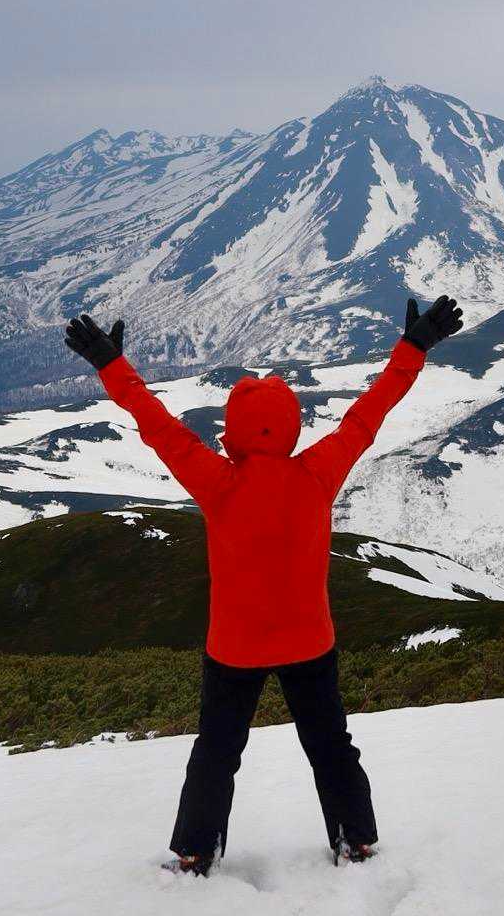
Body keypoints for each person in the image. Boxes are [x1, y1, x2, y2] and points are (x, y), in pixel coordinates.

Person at [63, 296, 465, 875]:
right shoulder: (318, 472)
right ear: (292, 427)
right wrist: (413, 348)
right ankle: (355, 841)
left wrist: (111, 365)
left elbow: (157, 424)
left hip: (235, 647)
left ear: (234, 430)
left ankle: (196, 851)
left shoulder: (216, 481)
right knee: (330, 747)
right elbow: (368, 414)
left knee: (216, 752)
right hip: (310, 642)